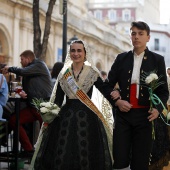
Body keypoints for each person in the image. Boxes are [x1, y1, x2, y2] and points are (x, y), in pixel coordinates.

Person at [29, 40, 119, 170]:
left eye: (79, 50)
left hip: (88, 119)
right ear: (69, 53)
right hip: (65, 118)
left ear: (85, 53)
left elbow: (104, 90)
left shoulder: (92, 73)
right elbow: (58, 101)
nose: (76, 54)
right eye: (73, 50)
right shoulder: (64, 74)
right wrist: (49, 114)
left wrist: (116, 97)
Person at [104, 21, 169, 170]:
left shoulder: (157, 60)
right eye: (133, 33)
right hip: (123, 116)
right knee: (120, 160)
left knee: (140, 161)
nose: (136, 37)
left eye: (140, 34)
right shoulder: (122, 58)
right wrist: (117, 102)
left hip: (145, 117)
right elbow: (107, 85)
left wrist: (157, 109)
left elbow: (163, 91)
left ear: (148, 37)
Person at [2, 50, 52, 155]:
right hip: (33, 106)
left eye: (22, 59)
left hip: (42, 105)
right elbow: (32, 87)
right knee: (14, 120)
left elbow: (22, 71)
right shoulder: (31, 70)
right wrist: (23, 93)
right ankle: (29, 150)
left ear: (28, 59)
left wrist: (10, 69)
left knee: (48, 132)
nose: (21, 62)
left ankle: (48, 155)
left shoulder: (39, 64)